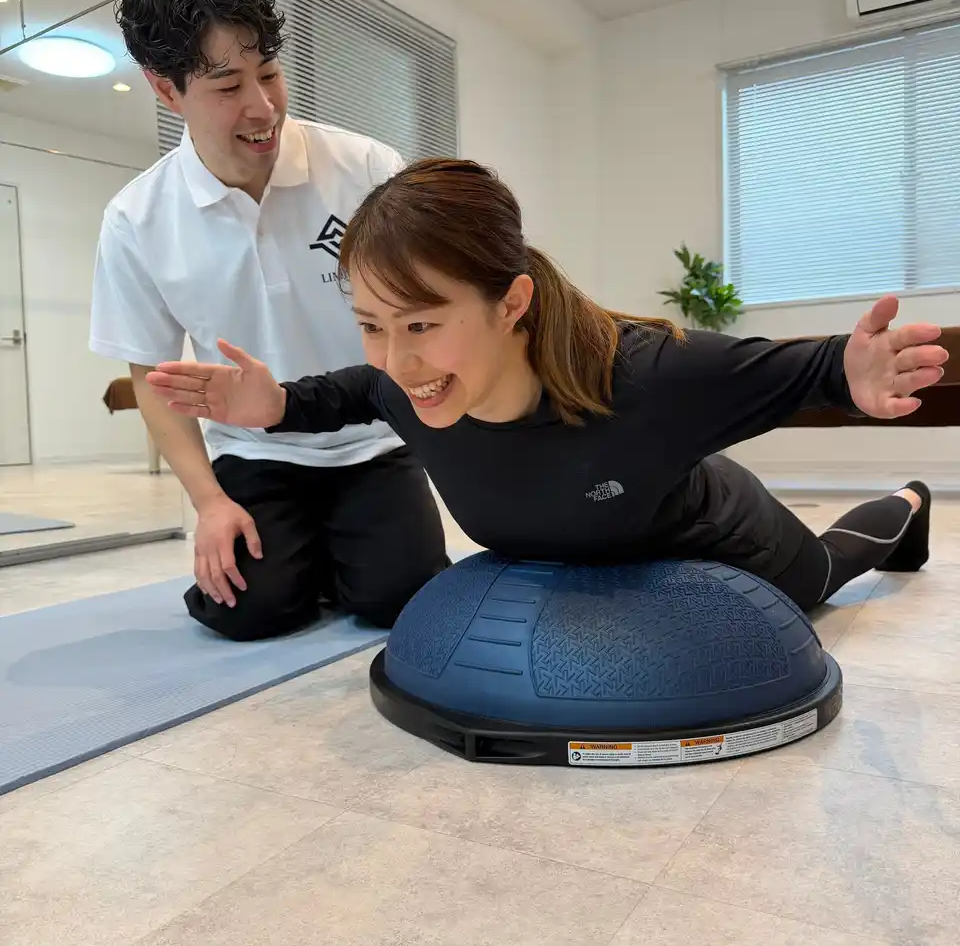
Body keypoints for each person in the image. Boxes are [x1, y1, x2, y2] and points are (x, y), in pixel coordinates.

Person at [145, 158, 949, 614]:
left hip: (716, 539)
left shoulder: (643, 378)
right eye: (371, 324)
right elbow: (349, 391)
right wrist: (276, 406)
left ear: (512, 304)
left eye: (421, 325)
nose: (396, 359)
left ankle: (907, 505)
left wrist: (848, 371)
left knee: (823, 579)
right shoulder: (407, 389)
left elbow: (797, 369)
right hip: (592, 559)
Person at [89, 0, 447, 639]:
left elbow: (427, 314)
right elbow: (151, 377)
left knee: (401, 600)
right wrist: (208, 503)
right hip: (253, 451)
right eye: (227, 87)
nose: (262, 108)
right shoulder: (137, 219)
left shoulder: (366, 168)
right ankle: (307, 561)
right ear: (166, 90)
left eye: (271, 74)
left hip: (371, 441)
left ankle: (341, 559)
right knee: (249, 612)